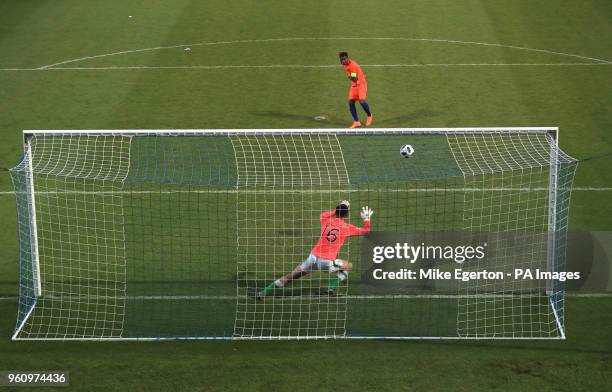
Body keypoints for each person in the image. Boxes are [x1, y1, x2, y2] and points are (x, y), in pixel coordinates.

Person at [258, 201, 373, 298]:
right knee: (348, 266)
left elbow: (323, 214)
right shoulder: (347, 228)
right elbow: (366, 231)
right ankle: (331, 289)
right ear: (347, 215)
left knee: (290, 277)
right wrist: (366, 218)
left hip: (312, 258)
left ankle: (263, 293)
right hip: (327, 262)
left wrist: (339, 208)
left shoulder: (326, 221)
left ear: (336, 212)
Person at [339, 52, 373, 128]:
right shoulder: (344, 64)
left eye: (344, 59)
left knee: (362, 101)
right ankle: (356, 122)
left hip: (361, 84)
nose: (343, 61)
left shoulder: (353, 66)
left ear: (347, 58)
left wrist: (351, 77)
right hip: (354, 84)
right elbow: (351, 75)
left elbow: (355, 78)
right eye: (341, 60)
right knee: (351, 101)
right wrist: (351, 76)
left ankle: (369, 116)